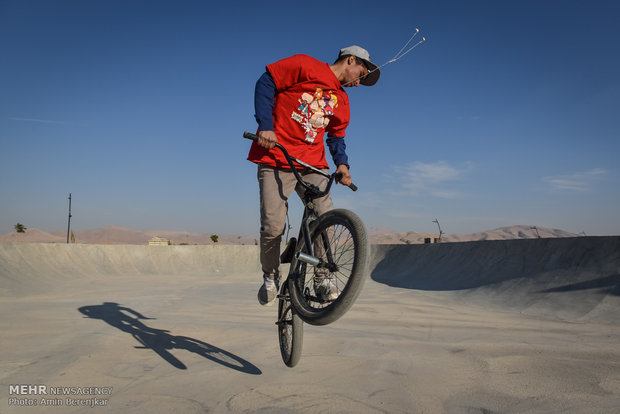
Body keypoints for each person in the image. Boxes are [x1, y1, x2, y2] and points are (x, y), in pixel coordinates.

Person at [247, 45, 380, 306]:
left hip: (313, 165)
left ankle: (322, 276)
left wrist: (342, 165)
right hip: (276, 157)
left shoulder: (342, 100)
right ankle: (271, 275)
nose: (359, 83)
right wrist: (265, 126)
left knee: (323, 215)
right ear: (351, 60)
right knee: (273, 226)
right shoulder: (306, 65)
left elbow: (337, 136)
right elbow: (266, 82)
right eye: (361, 74)